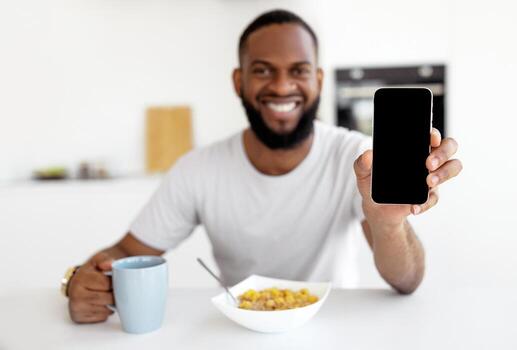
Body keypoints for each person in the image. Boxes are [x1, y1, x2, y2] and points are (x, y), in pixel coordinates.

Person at [62, 9, 462, 324]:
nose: (282, 86)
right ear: (239, 82)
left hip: (335, 330)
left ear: (318, 80)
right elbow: (125, 252)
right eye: (263, 70)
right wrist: (80, 281)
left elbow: (407, 282)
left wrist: (388, 223)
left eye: (299, 71)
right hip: (239, 332)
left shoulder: (355, 158)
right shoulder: (198, 169)